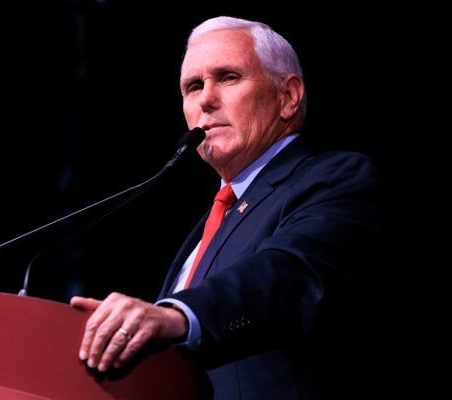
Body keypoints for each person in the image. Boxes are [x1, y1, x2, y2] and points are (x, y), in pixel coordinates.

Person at [70, 15, 391, 399]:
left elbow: (289, 274)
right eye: (193, 86)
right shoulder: (210, 224)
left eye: (228, 77)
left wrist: (177, 316)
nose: (206, 99)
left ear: (288, 97)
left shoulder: (334, 178)